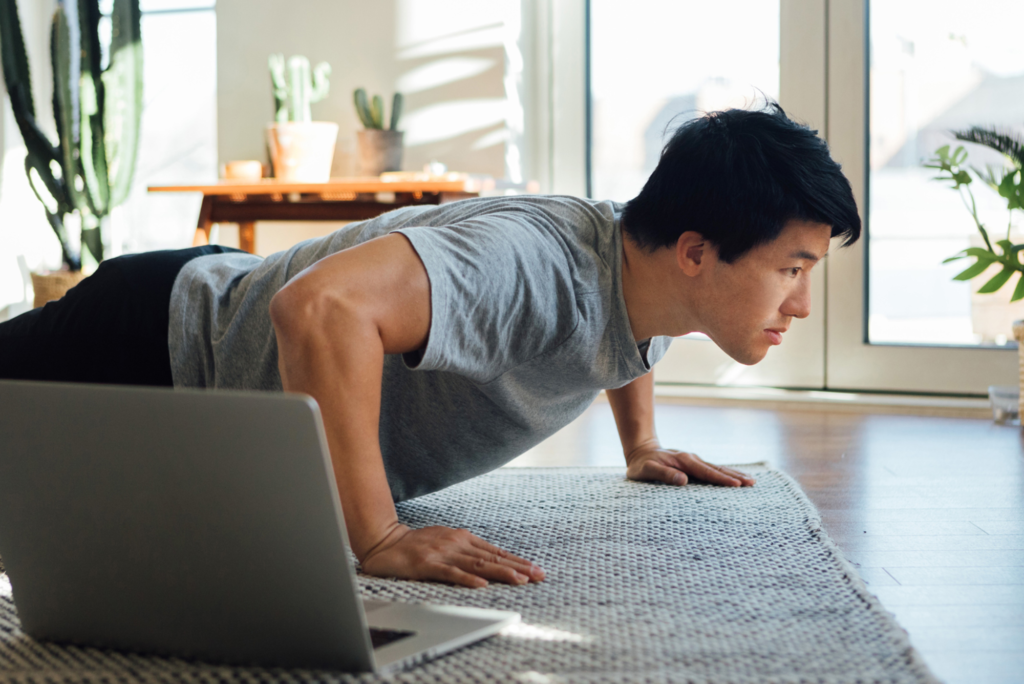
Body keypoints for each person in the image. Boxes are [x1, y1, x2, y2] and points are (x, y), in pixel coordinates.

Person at [0, 103, 860, 589]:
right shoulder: (531, 265)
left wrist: (641, 444)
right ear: (698, 251)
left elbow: (629, 324)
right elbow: (319, 309)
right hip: (157, 340)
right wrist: (373, 539)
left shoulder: (654, 276)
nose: (805, 303)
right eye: (793, 268)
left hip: (200, 378)